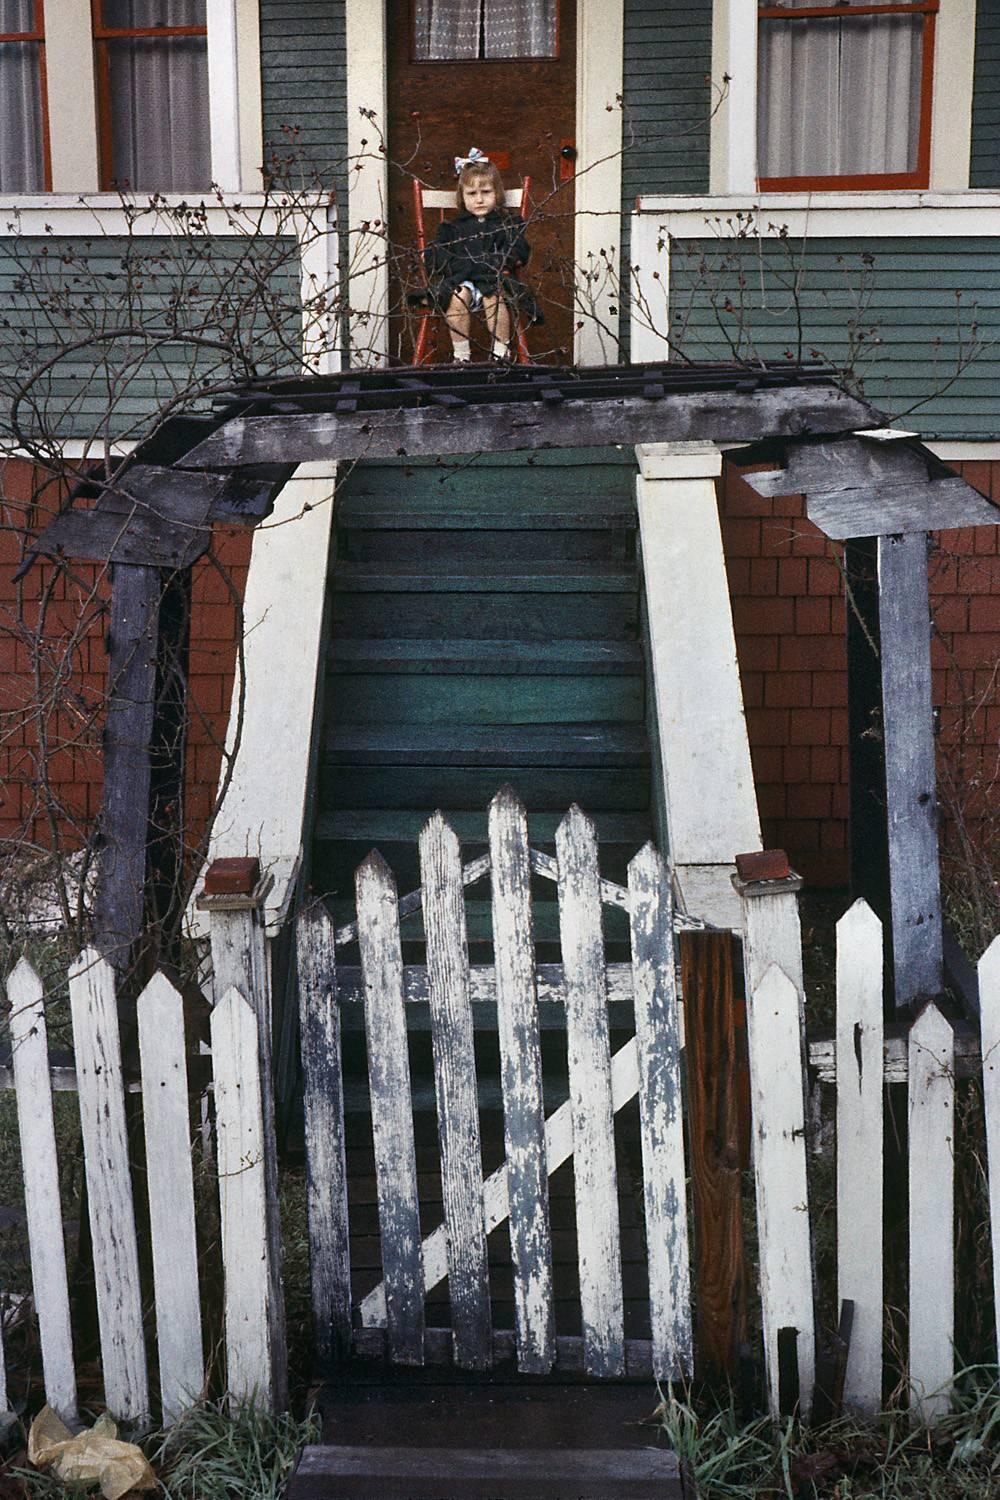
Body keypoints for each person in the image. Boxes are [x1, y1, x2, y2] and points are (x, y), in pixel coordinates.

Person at [424, 151, 535, 362]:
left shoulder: (506, 224)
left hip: (495, 280)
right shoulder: (452, 228)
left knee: (494, 297)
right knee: (457, 296)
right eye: (472, 194)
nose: (480, 199)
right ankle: (462, 356)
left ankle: (501, 354)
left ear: (497, 193)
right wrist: (453, 267)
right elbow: (436, 257)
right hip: (462, 280)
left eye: (486, 192)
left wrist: (502, 262)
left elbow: (519, 249)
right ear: (462, 196)